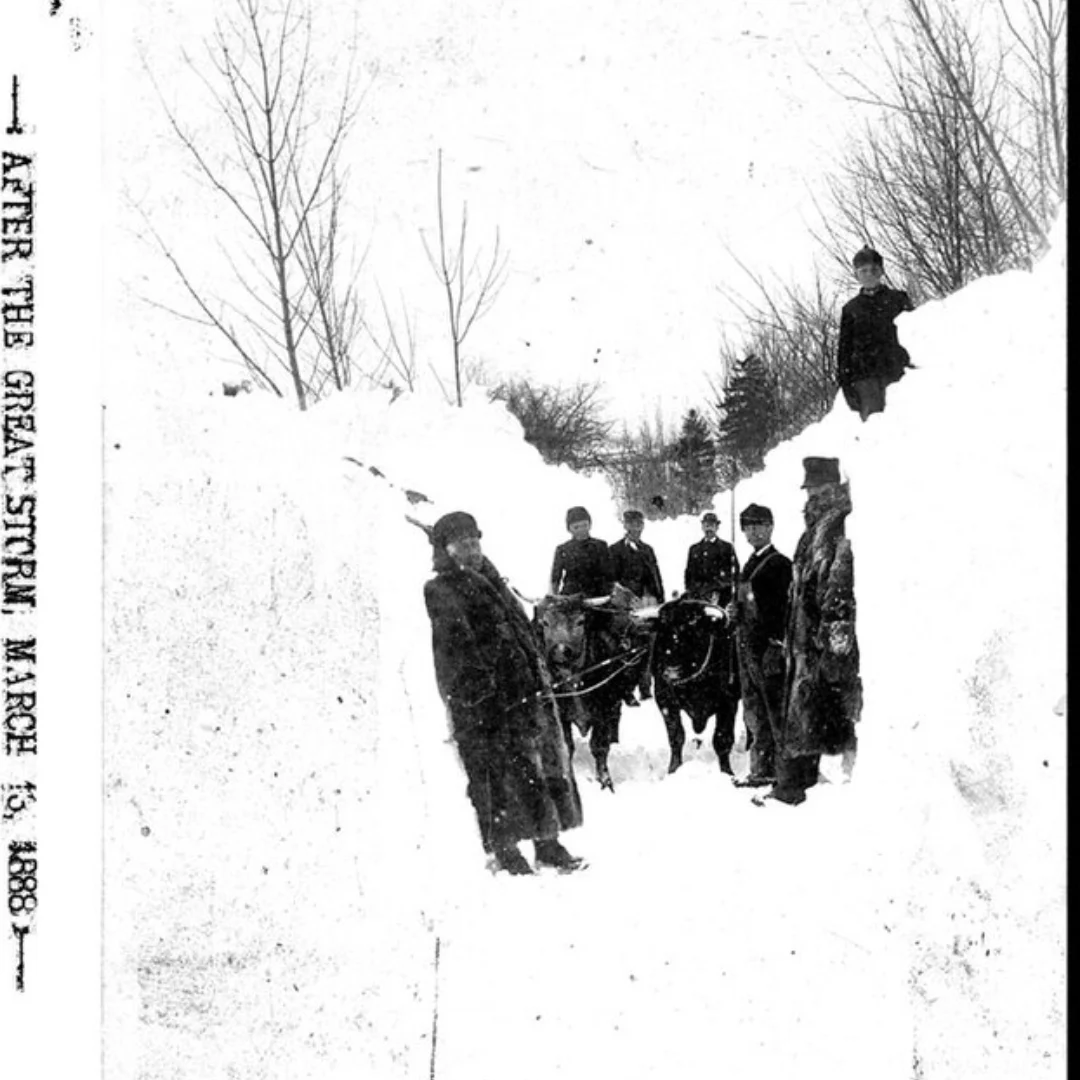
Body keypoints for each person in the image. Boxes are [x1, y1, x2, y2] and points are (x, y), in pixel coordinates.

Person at [424, 511, 586, 873]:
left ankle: (547, 841)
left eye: (475, 541)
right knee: (495, 778)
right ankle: (506, 850)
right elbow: (455, 648)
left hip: (527, 695)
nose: (472, 549)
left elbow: (520, 632)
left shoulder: (493, 580)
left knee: (541, 768)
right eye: (463, 544)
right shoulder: (441, 589)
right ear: (446, 551)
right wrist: (485, 690)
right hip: (487, 703)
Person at [754, 459, 862, 808]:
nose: (813, 496)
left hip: (820, 646)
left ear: (834, 489)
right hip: (802, 643)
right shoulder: (811, 532)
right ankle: (794, 785)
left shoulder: (836, 528)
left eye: (820, 490)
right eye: (811, 490)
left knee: (822, 716)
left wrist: (834, 645)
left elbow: (838, 588)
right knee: (801, 716)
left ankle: (804, 789)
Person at [727, 504, 792, 788]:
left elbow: (784, 610)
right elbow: (747, 603)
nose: (753, 532)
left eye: (759, 526)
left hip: (768, 648)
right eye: (748, 528)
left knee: (775, 710)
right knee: (754, 712)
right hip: (747, 646)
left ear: (770, 528)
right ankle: (761, 769)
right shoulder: (749, 563)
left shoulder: (780, 564)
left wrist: (776, 645)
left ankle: (785, 773)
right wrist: (734, 610)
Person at [837, 245, 915, 421]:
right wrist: (845, 384)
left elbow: (917, 334)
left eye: (874, 269)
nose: (869, 274)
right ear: (856, 275)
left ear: (881, 272)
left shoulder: (898, 299)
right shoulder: (851, 309)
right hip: (865, 378)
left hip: (897, 371)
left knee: (906, 423)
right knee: (876, 429)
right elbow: (844, 350)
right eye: (863, 271)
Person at [610, 509, 665, 703]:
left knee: (651, 642)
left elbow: (656, 578)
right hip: (624, 607)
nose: (636, 528)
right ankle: (626, 688)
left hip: (646, 604)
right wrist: (625, 596)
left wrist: (659, 601)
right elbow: (612, 580)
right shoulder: (615, 550)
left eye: (639, 524)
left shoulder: (647, 550)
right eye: (632, 524)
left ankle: (645, 684)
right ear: (624, 525)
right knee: (627, 644)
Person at [550, 506, 615, 597]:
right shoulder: (562, 550)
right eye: (576, 527)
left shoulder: (601, 546)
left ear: (590, 525)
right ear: (569, 529)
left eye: (584, 525)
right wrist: (554, 597)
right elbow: (555, 578)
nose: (581, 530)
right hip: (571, 597)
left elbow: (610, 575)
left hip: (599, 597)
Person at [684, 511, 739, 605]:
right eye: (706, 525)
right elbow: (689, 574)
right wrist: (694, 590)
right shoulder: (694, 549)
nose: (708, 528)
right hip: (698, 597)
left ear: (717, 527)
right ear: (702, 527)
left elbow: (733, 574)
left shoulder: (726, 548)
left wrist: (717, 588)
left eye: (711, 525)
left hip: (720, 597)